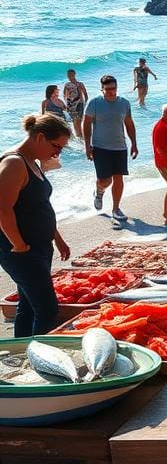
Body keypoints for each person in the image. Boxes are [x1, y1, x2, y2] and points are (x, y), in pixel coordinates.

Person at [0, 114, 71, 336]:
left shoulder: (32, 162)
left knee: (29, 304)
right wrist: (19, 245)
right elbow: (2, 209)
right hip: (20, 249)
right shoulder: (14, 162)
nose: (57, 153)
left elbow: (39, 206)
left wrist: (57, 238)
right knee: (47, 308)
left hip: (37, 246)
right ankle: (40, 359)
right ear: (40, 137)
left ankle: (21, 353)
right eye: (56, 146)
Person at [83, 74, 138, 228]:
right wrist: (87, 145)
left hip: (120, 146)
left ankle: (116, 208)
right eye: (107, 89)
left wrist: (134, 143)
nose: (111, 92)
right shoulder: (94, 103)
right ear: (102, 88)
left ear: (117, 87)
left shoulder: (124, 103)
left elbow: (129, 123)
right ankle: (99, 191)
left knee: (119, 178)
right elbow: (86, 124)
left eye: (113, 89)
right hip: (100, 147)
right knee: (105, 180)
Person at [63, 69, 88, 138]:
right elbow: (64, 95)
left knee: (79, 120)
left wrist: (84, 103)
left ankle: (81, 137)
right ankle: (78, 137)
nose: (69, 76)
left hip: (79, 104)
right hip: (71, 105)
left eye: (71, 74)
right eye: (68, 75)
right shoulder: (67, 85)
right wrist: (66, 104)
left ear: (74, 74)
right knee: (74, 121)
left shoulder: (80, 84)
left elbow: (85, 95)